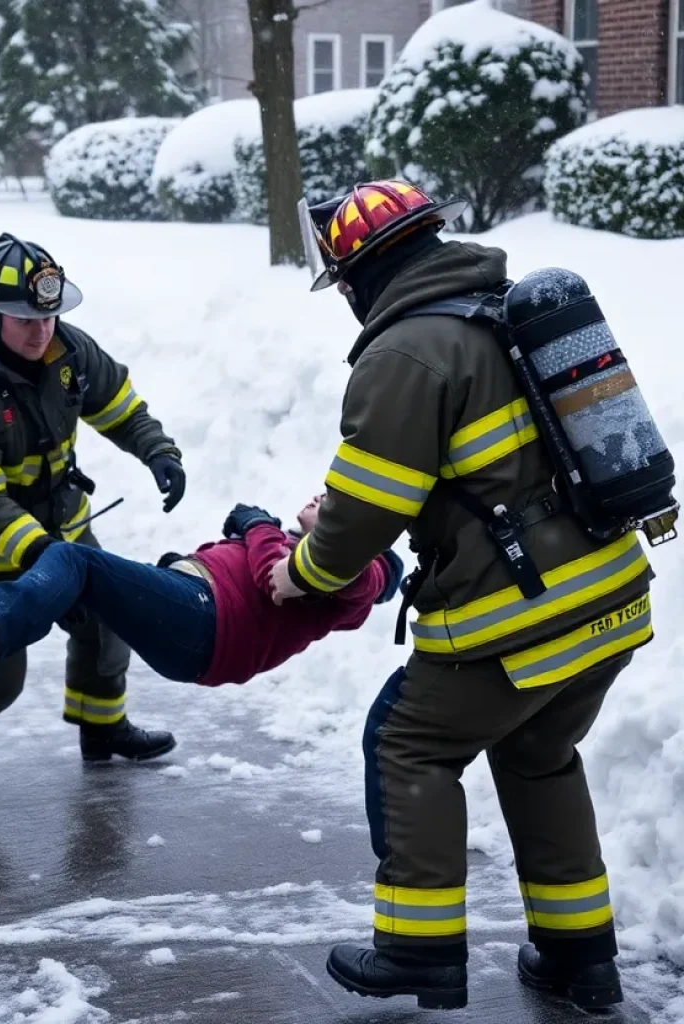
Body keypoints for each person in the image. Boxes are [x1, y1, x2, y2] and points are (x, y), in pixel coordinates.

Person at [268, 180, 655, 1011]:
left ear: (363, 273)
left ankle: (419, 950)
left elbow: (367, 510)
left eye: (342, 283)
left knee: (408, 742)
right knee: (538, 754)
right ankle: (580, 958)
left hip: (521, 613)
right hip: (612, 596)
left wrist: (302, 568)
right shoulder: (502, 311)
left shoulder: (406, 352)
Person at [0, 233, 185, 796]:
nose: (41, 332)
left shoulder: (68, 351)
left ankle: (101, 728)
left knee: (108, 626)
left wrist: (159, 451)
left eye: (49, 317)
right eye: (25, 320)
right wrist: (43, 562)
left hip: (64, 527)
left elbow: (121, 408)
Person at [0, 497, 403, 702]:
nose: (318, 498)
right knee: (79, 579)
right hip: (201, 616)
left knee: (74, 560)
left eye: (332, 501)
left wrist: (259, 525)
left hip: (208, 621)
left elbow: (273, 579)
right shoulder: (322, 554)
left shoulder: (366, 573)